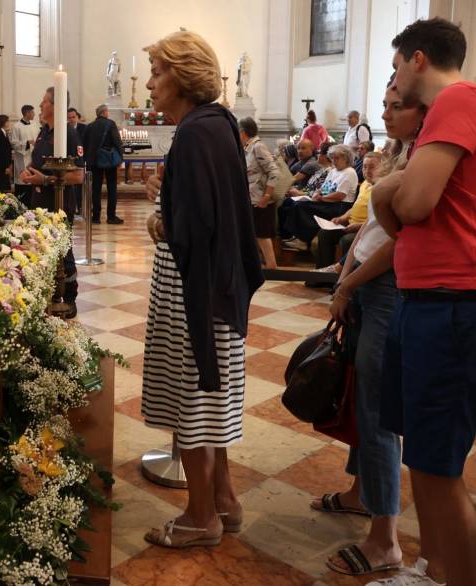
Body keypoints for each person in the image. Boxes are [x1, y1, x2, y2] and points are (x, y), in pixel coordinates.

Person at [371, 18, 476, 586]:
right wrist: (388, 192)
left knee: (440, 463)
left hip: (457, 302)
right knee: (423, 458)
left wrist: (387, 190)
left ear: (418, 59)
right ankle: (432, 571)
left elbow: (413, 204)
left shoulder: (460, 98)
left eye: (396, 66)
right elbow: (400, 208)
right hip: (429, 299)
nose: (395, 78)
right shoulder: (453, 108)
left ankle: (459, 580)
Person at [140, 30, 263, 550]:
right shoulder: (218, 124)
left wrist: (159, 219)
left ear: (183, 77)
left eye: (157, 73)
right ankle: (226, 500)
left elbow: (193, 228)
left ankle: (198, 517)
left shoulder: (194, 133)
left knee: (192, 400)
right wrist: (169, 198)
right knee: (209, 401)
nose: (149, 84)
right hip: (215, 286)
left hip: (194, 289)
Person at [310, 83, 427, 580]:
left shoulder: (429, 161)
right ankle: (362, 494)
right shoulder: (399, 151)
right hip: (362, 287)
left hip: (386, 292)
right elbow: (372, 226)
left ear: (424, 111)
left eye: (395, 105)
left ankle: (386, 540)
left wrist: (350, 283)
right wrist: (344, 274)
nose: (384, 112)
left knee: (377, 413)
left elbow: (403, 244)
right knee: (361, 397)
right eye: (385, 103)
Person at [19, 87, 84, 318]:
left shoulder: (69, 134)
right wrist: (28, 174)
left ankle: (70, 298)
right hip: (39, 203)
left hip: (60, 204)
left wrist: (45, 179)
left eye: (45, 101)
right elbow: (39, 164)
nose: (40, 104)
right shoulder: (44, 132)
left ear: (56, 106)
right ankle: (52, 295)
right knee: (44, 250)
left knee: (63, 251)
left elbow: (78, 176)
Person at [315, 151, 388, 271]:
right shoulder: (365, 184)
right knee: (325, 233)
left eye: (372, 167)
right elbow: (355, 207)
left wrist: (357, 226)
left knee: (347, 240)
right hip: (350, 224)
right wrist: (342, 218)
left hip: (365, 229)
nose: (367, 171)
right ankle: (322, 275)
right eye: (364, 167)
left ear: (383, 168)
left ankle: (344, 278)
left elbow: (379, 219)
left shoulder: (382, 187)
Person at [281, 144, 358, 252]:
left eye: (337, 158)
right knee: (295, 204)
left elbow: (340, 195)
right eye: (332, 158)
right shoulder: (333, 171)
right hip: (327, 201)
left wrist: (321, 198)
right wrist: (317, 193)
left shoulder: (349, 172)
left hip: (339, 206)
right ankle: (297, 236)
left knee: (301, 207)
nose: (334, 161)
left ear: (346, 159)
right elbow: (324, 187)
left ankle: (303, 241)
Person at [239, 117, 279, 270]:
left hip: (261, 199)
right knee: (254, 233)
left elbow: (273, 171)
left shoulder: (258, 147)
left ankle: (271, 265)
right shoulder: (248, 148)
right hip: (252, 198)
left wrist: (267, 196)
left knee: (262, 234)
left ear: (243, 132)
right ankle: (258, 263)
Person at [82, 104, 124, 224]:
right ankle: (111, 216)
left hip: (93, 161)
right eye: (107, 111)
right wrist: (120, 158)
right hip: (108, 160)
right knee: (112, 187)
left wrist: (86, 160)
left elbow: (84, 144)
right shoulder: (110, 124)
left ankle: (96, 216)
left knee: (95, 188)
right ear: (104, 112)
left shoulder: (89, 126)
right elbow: (117, 141)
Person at [9, 104, 40, 203]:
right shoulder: (16, 126)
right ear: (27, 113)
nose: (34, 114)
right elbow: (13, 143)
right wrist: (27, 143)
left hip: (34, 158)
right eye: (32, 112)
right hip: (22, 159)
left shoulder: (35, 124)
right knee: (23, 183)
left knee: (33, 184)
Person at [68, 108, 88, 215]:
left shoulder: (84, 128)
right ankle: (71, 206)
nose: (71, 120)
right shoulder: (64, 129)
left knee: (80, 185)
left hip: (82, 160)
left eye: (73, 117)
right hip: (69, 161)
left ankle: (80, 206)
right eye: (69, 118)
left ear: (78, 117)